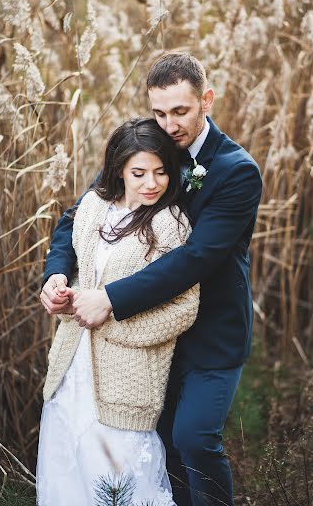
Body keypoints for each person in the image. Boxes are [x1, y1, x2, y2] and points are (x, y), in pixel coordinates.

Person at [40, 52, 263, 505]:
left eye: (180, 111)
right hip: (143, 335)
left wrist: (109, 298)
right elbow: (78, 215)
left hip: (209, 330)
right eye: (159, 112)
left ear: (207, 100)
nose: (168, 124)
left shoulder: (237, 171)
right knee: (159, 444)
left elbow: (196, 258)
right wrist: (57, 273)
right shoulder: (146, 146)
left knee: (194, 438)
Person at [36, 117, 199, 505]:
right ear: (119, 170)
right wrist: (60, 289)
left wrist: (112, 324)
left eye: (161, 172)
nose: (152, 183)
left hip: (128, 380)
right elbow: (77, 267)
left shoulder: (171, 225)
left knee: (119, 482)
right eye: (139, 172)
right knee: (68, 474)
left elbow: (184, 308)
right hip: (71, 371)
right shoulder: (94, 207)